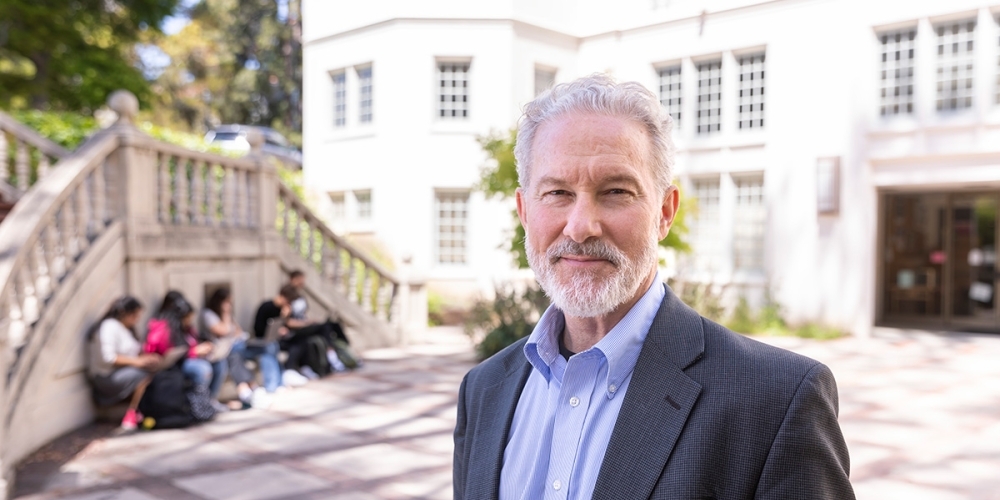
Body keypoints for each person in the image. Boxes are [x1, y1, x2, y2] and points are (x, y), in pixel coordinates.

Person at [452, 75, 855, 499]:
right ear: (524, 211)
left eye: (615, 191)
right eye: (557, 192)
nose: (581, 226)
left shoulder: (777, 401)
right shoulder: (484, 391)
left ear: (664, 212)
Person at [145, 291, 228, 413]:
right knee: (203, 369)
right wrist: (195, 352)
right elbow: (172, 353)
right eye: (187, 318)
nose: (189, 321)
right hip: (174, 365)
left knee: (220, 363)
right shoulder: (166, 328)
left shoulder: (188, 329)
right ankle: (199, 405)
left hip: (190, 359)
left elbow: (192, 343)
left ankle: (211, 400)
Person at [87, 296, 161, 430]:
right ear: (124, 313)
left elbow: (133, 352)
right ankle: (132, 414)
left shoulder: (126, 329)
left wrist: (147, 358)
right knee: (144, 374)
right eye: (135, 315)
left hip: (124, 373)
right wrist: (138, 362)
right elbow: (109, 358)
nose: (137, 319)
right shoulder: (109, 326)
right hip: (106, 377)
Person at [200, 288, 273, 408]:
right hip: (223, 350)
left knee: (267, 347)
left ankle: (246, 390)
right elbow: (223, 331)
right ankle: (251, 388)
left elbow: (238, 332)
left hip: (239, 346)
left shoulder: (228, 316)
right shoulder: (209, 314)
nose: (229, 305)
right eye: (227, 302)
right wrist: (226, 314)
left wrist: (229, 319)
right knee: (234, 356)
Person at [253, 285, 310, 386]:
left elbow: (286, 326)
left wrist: (284, 319)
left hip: (278, 339)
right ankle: (278, 379)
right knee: (272, 347)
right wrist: (279, 323)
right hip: (264, 340)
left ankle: (288, 371)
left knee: (301, 340)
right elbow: (258, 329)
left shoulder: (284, 310)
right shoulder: (266, 307)